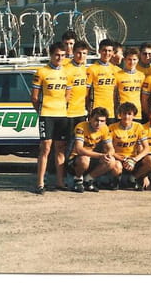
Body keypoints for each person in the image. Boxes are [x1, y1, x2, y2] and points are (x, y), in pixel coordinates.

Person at [32, 42, 72, 194]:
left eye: (63, 55)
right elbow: (34, 98)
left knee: (60, 149)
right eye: (57, 55)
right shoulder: (41, 72)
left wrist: (61, 107)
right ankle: (40, 183)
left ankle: (60, 182)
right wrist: (42, 112)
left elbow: (68, 95)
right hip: (46, 114)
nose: (60, 58)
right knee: (46, 148)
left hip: (62, 115)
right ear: (51, 55)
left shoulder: (67, 72)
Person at [67, 107, 120, 193]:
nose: (98, 124)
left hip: (92, 158)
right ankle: (78, 180)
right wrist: (100, 155)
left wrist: (108, 155)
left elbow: (111, 148)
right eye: (96, 120)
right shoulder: (81, 127)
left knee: (111, 161)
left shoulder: (105, 128)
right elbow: (79, 149)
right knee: (84, 159)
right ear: (90, 118)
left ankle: (88, 180)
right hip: (76, 159)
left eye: (102, 121)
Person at [109, 102, 151, 190]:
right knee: (117, 166)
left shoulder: (138, 126)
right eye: (124, 113)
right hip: (119, 158)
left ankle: (133, 179)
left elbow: (146, 148)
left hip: (133, 159)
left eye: (129, 114)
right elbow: (108, 149)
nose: (126, 116)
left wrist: (134, 159)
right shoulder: (112, 127)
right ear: (120, 115)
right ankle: (116, 181)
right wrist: (123, 159)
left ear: (134, 116)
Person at [86, 39, 118, 122]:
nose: (107, 53)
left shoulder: (116, 70)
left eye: (109, 51)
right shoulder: (91, 69)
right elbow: (86, 92)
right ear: (99, 51)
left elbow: (116, 93)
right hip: (96, 111)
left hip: (111, 112)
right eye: (104, 50)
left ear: (113, 52)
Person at [64, 40, 90, 136]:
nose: (81, 56)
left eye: (84, 53)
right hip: (68, 113)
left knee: (80, 141)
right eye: (79, 53)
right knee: (68, 142)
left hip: (82, 113)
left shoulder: (85, 69)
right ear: (73, 52)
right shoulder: (66, 69)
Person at [114, 47, 146, 121]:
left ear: (138, 60)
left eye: (134, 59)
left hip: (137, 114)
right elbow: (114, 96)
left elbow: (144, 97)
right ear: (124, 59)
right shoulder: (117, 75)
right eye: (129, 59)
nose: (132, 62)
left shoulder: (142, 75)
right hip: (122, 113)